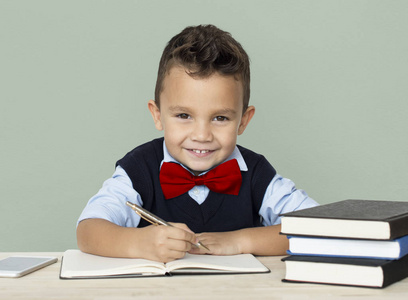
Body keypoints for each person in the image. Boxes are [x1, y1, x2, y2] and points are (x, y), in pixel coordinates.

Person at [76, 24, 318, 263]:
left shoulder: (256, 173)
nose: (202, 135)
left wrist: (239, 241)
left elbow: (318, 228)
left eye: (220, 118)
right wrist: (140, 242)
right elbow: (88, 232)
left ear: (243, 121)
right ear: (157, 114)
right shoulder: (138, 168)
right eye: (184, 116)